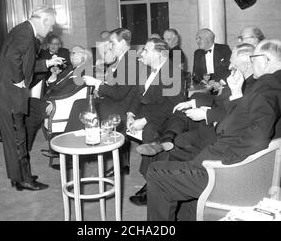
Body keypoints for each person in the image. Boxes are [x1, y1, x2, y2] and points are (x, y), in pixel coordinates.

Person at [146, 39, 281, 221]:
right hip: (233, 164)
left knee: (156, 172)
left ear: (265, 60)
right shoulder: (271, 85)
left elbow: (257, 138)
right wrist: (235, 95)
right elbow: (243, 123)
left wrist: (223, 163)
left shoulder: (267, 88)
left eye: (254, 57)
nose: (252, 60)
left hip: (227, 171)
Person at [0, 5, 65, 191]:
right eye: (50, 25)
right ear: (44, 20)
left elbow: (22, 61)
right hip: (8, 92)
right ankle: (25, 179)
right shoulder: (26, 33)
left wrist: (47, 62)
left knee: (13, 137)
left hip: (3, 90)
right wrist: (18, 81)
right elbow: (14, 57)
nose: (51, 30)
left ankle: (18, 176)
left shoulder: (22, 28)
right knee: (18, 136)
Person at [127, 38, 185, 206]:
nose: (141, 53)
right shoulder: (146, 70)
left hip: (167, 116)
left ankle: (152, 185)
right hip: (149, 112)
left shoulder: (172, 72)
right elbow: (137, 96)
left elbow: (172, 105)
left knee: (150, 132)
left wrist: (144, 120)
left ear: (159, 54)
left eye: (145, 50)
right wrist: (130, 113)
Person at [82, 28, 137, 177]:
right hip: (120, 101)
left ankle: (83, 151)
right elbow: (116, 87)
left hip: (124, 106)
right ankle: (121, 164)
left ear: (123, 42)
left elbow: (119, 94)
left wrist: (97, 84)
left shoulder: (129, 61)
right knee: (86, 105)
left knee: (86, 110)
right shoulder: (124, 59)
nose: (110, 46)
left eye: (112, 43)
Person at [25, 45, 91, 153]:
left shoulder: (85, 70)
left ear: (84, 55)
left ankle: (25, 146)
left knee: (29, 105)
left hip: (61, 106)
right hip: (54, 100)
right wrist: (53, 77)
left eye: (76, 53)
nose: (72, 55)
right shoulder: (70, 68)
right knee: (30, 111)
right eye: (71, 53)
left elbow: (71, 91)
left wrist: (53, 101)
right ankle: (25, 146)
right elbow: (55, 85)